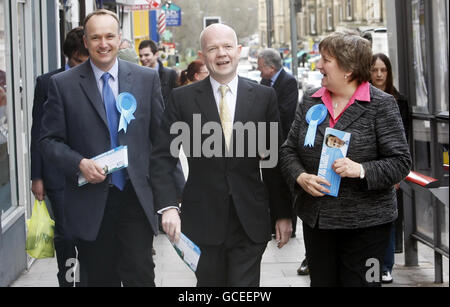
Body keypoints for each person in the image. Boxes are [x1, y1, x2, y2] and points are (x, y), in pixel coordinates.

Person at [150, 23, 293, 287]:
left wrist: (283, 213)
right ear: (202, 56)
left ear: (239, 51)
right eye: (213, 48)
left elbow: (274, 161)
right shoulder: (182, 99)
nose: (222, 54)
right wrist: (168, 207)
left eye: (227, 46)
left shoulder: (264, 97)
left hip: (250, 219)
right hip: (202, 220)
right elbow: (161, 158)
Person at [39, 9, 166, 287]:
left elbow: (161, 143)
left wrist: (170, 200)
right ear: (85, 41)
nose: (103, 43)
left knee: (141, 275)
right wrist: (78, 163)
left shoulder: (146, 79)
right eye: (95, 37)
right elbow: (48, 142)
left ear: (120, 39)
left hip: (134, 196)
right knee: (100, 279)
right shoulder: (62, 85)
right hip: (91, 202)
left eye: (109, 36)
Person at [279, 31, 411, 287]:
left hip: (368, 226)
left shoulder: (381, 104)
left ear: (348, 69)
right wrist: (300, 176)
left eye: (326, 60)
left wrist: (360, 169)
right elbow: (288, 150)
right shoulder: (310, 100)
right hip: (318, 221)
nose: (319, 66)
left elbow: (400, 162)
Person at [30, 26, 89, 287]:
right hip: (57, 175)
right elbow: (38, 133)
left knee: (89, 235)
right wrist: (37, 176)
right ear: (68, 57)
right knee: (65, 236)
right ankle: (68, 282)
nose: (82, 65)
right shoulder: (48, 82)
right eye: (78, 60)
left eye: (85, 60)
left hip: (92, 172)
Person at [257, 48, 304, 270]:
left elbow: (285, 112)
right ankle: (272, 222)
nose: (258, 69)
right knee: (269, 183)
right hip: (266, 144)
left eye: (261, 65)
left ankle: (289, 224)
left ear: (271, 67)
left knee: (285, 185)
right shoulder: (264, 83)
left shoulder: (288, 81)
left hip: (282, 142)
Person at [370, 53, 410, 284]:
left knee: (389, 219)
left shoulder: (399, 101)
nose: (378, 74)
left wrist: (397, 172)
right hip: (370, 169)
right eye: (374, 69)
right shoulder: (363, 98)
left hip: (391, 169)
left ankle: (386, 266)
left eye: (383, 70)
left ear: (389, 72)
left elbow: (403, 139)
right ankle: (376, 266)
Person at [138, 39, 178, 105]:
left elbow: (177, 100)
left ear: (156, 54)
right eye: (140, 56)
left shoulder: (170, 74)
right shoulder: (138, 76)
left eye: (146, 55)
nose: (142, 58)